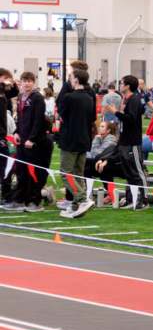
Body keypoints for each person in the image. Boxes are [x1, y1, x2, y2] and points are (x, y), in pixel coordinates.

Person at [7, 72, 52, 212]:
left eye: (29, 81)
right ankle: (20, 199)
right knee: (21, 171)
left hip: (35, 142)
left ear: (34, 82)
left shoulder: (37, 98)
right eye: (24, 81)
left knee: (34, 173)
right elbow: (20, 119)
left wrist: (32, 139)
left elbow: (39, 120)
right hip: (22, 141)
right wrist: (17, 133)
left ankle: (35, 201)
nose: (26, 84)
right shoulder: (21, 97)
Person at [57, 68, 96, 219]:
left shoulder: (69, 97)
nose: (69, 81)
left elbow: (61, 115)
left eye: (71, 78)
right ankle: (76, 205)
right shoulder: (90, 98)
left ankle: (81, 198)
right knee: (78, 173)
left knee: (66, 173)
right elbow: (92, 118)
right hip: (84, 138)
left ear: (76, 80)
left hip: (70, 139)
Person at [106, 75, 148, 209]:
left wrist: (116, 112)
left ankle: (143, 199)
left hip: (133, 141)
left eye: (122, 83)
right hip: (125, 140)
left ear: (128, 85)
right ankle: (132, 198)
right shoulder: (127, 99)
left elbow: (131, 118)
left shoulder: (134, 99)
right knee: (129, 172)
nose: (120, 85)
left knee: (137, 171)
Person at [0, 68, 18, 206]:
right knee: (4, 166)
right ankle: (6, 196)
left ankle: (6, 195)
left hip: (3, 134)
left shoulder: (3, 93)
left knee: (5, 166)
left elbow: (14, 92)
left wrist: (13, 84)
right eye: (6, 78)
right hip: (1, 135)